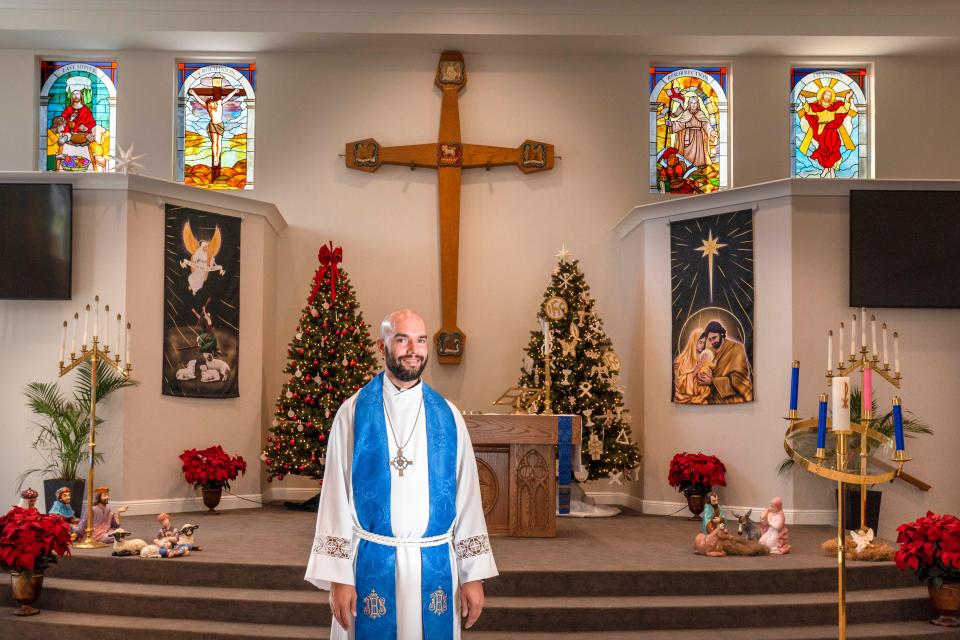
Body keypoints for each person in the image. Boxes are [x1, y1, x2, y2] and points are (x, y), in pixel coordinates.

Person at [305, 309, 496, 640]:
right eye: (402, 339)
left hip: (435, 563)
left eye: (420, 340)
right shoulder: (353, 413)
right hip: (370, 562)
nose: (414, 349)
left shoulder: (448, 416)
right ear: (382, 346)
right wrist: (339, 577)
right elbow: (334, 497)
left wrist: (473, 575)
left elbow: (467, 499)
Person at [796, 86, 857, 178]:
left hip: (832, 131)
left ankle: (830, 169)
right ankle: (827, 168)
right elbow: (808, 111)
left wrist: (847, 98)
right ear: (822, 95)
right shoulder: (816, 107)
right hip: (822, 131)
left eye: (829, 95)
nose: (828, 96)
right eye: (826, 94)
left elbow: (845, 109)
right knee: (824, 151)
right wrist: (804, 101)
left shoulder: (835, 107)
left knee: (833, 150)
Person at [188, 86, 239, 180]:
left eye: (210, 103)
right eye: (208, 104)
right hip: (212, 125)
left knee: (219, 143)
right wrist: (194, 93)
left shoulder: (219, 103)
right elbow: (199, 100)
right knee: (214, 142)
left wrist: (234, 92)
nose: (210, 105)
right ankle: (215, 159)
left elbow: (227, 97)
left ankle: (217, 158)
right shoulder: (208, 106)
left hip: (219, 125)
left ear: (213, 101)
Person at [696, 320, 753, 404]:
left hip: (733, 400)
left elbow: (739, 381)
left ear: (721, 334)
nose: (712, 342)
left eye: (714, 338)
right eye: (710, 339)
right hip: (713, 400)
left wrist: (713, 381)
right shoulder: (709, 352)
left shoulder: (737, 349)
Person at [668, 95, 717, 169]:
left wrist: (712, 132)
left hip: (698, 138)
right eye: (691, 103)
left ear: (698, 104)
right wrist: (671, 124)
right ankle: (686, 167)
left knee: (699, 155)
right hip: (687, 136)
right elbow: (680, 124)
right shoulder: (686, 113)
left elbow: (706, 125)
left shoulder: (700, 113)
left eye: (695, 103)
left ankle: (699, 168)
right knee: (687, 155)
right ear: (689, 104)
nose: (693, 105)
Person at [673, 328, 714, 404]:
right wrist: (699, 365)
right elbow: (681, 385)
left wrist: (710, 377)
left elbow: (708, 376)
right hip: (683, 400)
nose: (702, 345)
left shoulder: (705, 357)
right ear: (693, 342)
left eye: (704, 343)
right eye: (700, 342)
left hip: (702, 399)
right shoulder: (680, 360)